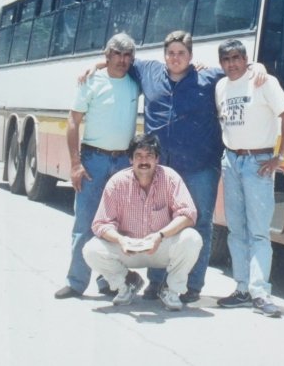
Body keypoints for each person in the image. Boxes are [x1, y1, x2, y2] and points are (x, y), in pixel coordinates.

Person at [89, 30, 266, 303]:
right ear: (164, 55)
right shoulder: (148, 71)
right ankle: (156, 283)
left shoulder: (208, 78)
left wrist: (259, 67)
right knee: (156, 221)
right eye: (171, 52)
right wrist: (96, 64)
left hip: (199, 166)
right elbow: (120, 60)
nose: (175, 58)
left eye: (181, 53)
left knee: (200, 223)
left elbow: (241, 69)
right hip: (158, 167)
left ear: (191, 56)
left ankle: (191, 286)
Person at [215, 39, 284, 318]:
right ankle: (241, 289)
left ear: (246, 59)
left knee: (259, 232)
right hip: (231, 161)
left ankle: (260, 293)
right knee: (236, 230)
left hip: (258, 163)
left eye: (237, 58)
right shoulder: (221, 86)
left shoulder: (264, 82)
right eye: (226, 60)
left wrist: (280, 156)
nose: (231, 64)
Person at [54, 33, 140, 300]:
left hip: (124, 162)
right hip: (93, 160)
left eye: (127, 56)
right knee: (86, 223)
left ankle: (111, 281)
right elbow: (72, 122)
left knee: (118, 226)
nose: (122, 60)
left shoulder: (135, 82)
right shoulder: (91, 81)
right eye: (117, 54)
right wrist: (75, 164)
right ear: (108, 55)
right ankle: (76, 282)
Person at [82, 133, 202, 310]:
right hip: (128, 248)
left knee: (192, 238)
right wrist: (121, 240)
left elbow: (188, 214)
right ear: (130, 159)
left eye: (149, 156)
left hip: (160, 245)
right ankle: (127, 283)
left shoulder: (170, 178)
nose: (144, 161)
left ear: (157, 159)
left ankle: (171, 290)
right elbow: (101, 224)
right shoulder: (117, 183)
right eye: (138, 156)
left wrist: (160, 235)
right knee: (91, 250)